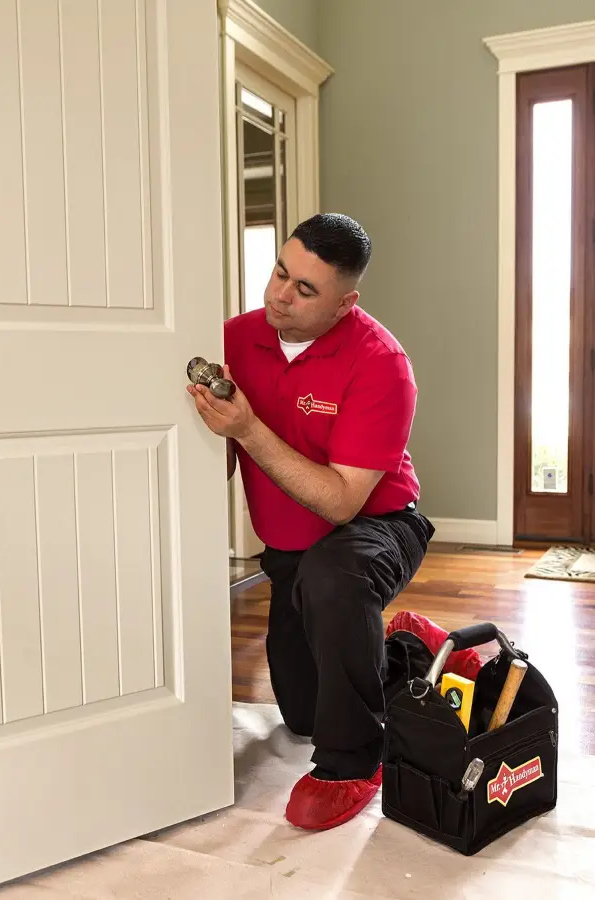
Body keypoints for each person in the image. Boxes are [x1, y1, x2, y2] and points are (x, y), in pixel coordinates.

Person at [187, 213, 435, 831]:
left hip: (375, 528)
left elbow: (341, 502)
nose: (279, 295)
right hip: (290, 553)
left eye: (305, 290)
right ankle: (407, 652)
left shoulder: (381, 362)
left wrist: (246, 427)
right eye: (279, 273)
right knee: (302, 713)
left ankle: (352, 763)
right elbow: (208, 461)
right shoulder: (234, 340)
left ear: (345, 302)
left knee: (334, 579)